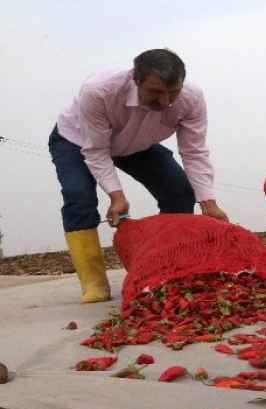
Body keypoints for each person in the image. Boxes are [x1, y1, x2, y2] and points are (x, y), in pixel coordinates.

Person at [48, 48, 229, 304]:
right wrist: (117, 196)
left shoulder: (191, 98)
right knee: (79, 194)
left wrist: (208, 202)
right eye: (155, 92)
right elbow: (97, 150)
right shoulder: (100, 89)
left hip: (137, 146)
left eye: (173, 92)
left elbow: (194, 151)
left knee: (179, 190)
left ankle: (170, 268)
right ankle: (94, 284)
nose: (165, 102)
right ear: (136, 79)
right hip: (78, 140)